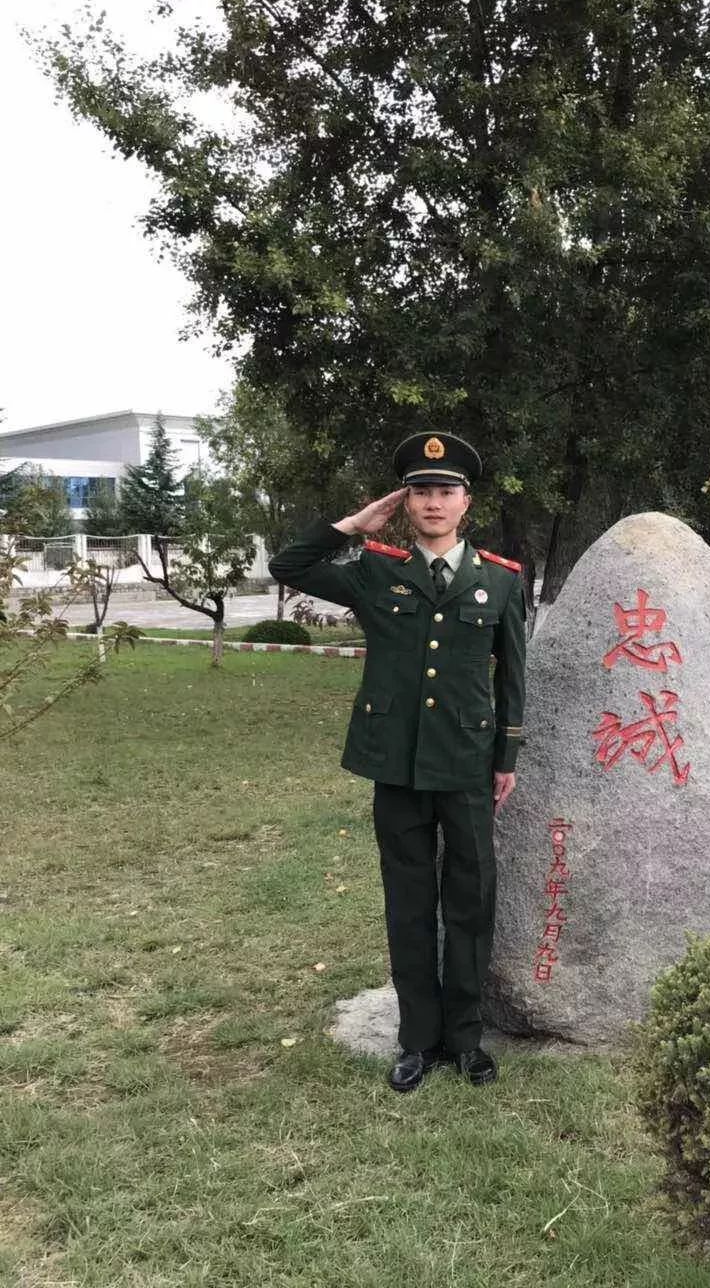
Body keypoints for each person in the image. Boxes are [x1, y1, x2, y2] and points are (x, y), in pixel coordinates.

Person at [268, 432, 526, 1092]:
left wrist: (508, 757)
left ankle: (466, 1039)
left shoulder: (499, 579)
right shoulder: (375, 569)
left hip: (468, 764)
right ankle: (417, 1040)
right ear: (404, 502)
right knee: (408, 906)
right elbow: (287, 565)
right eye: (420, 491)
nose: (433, 502)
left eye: (445, 491)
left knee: (468, 903)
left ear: (467, 502)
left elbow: (512, 682)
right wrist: (353, 525)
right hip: (398, 766)